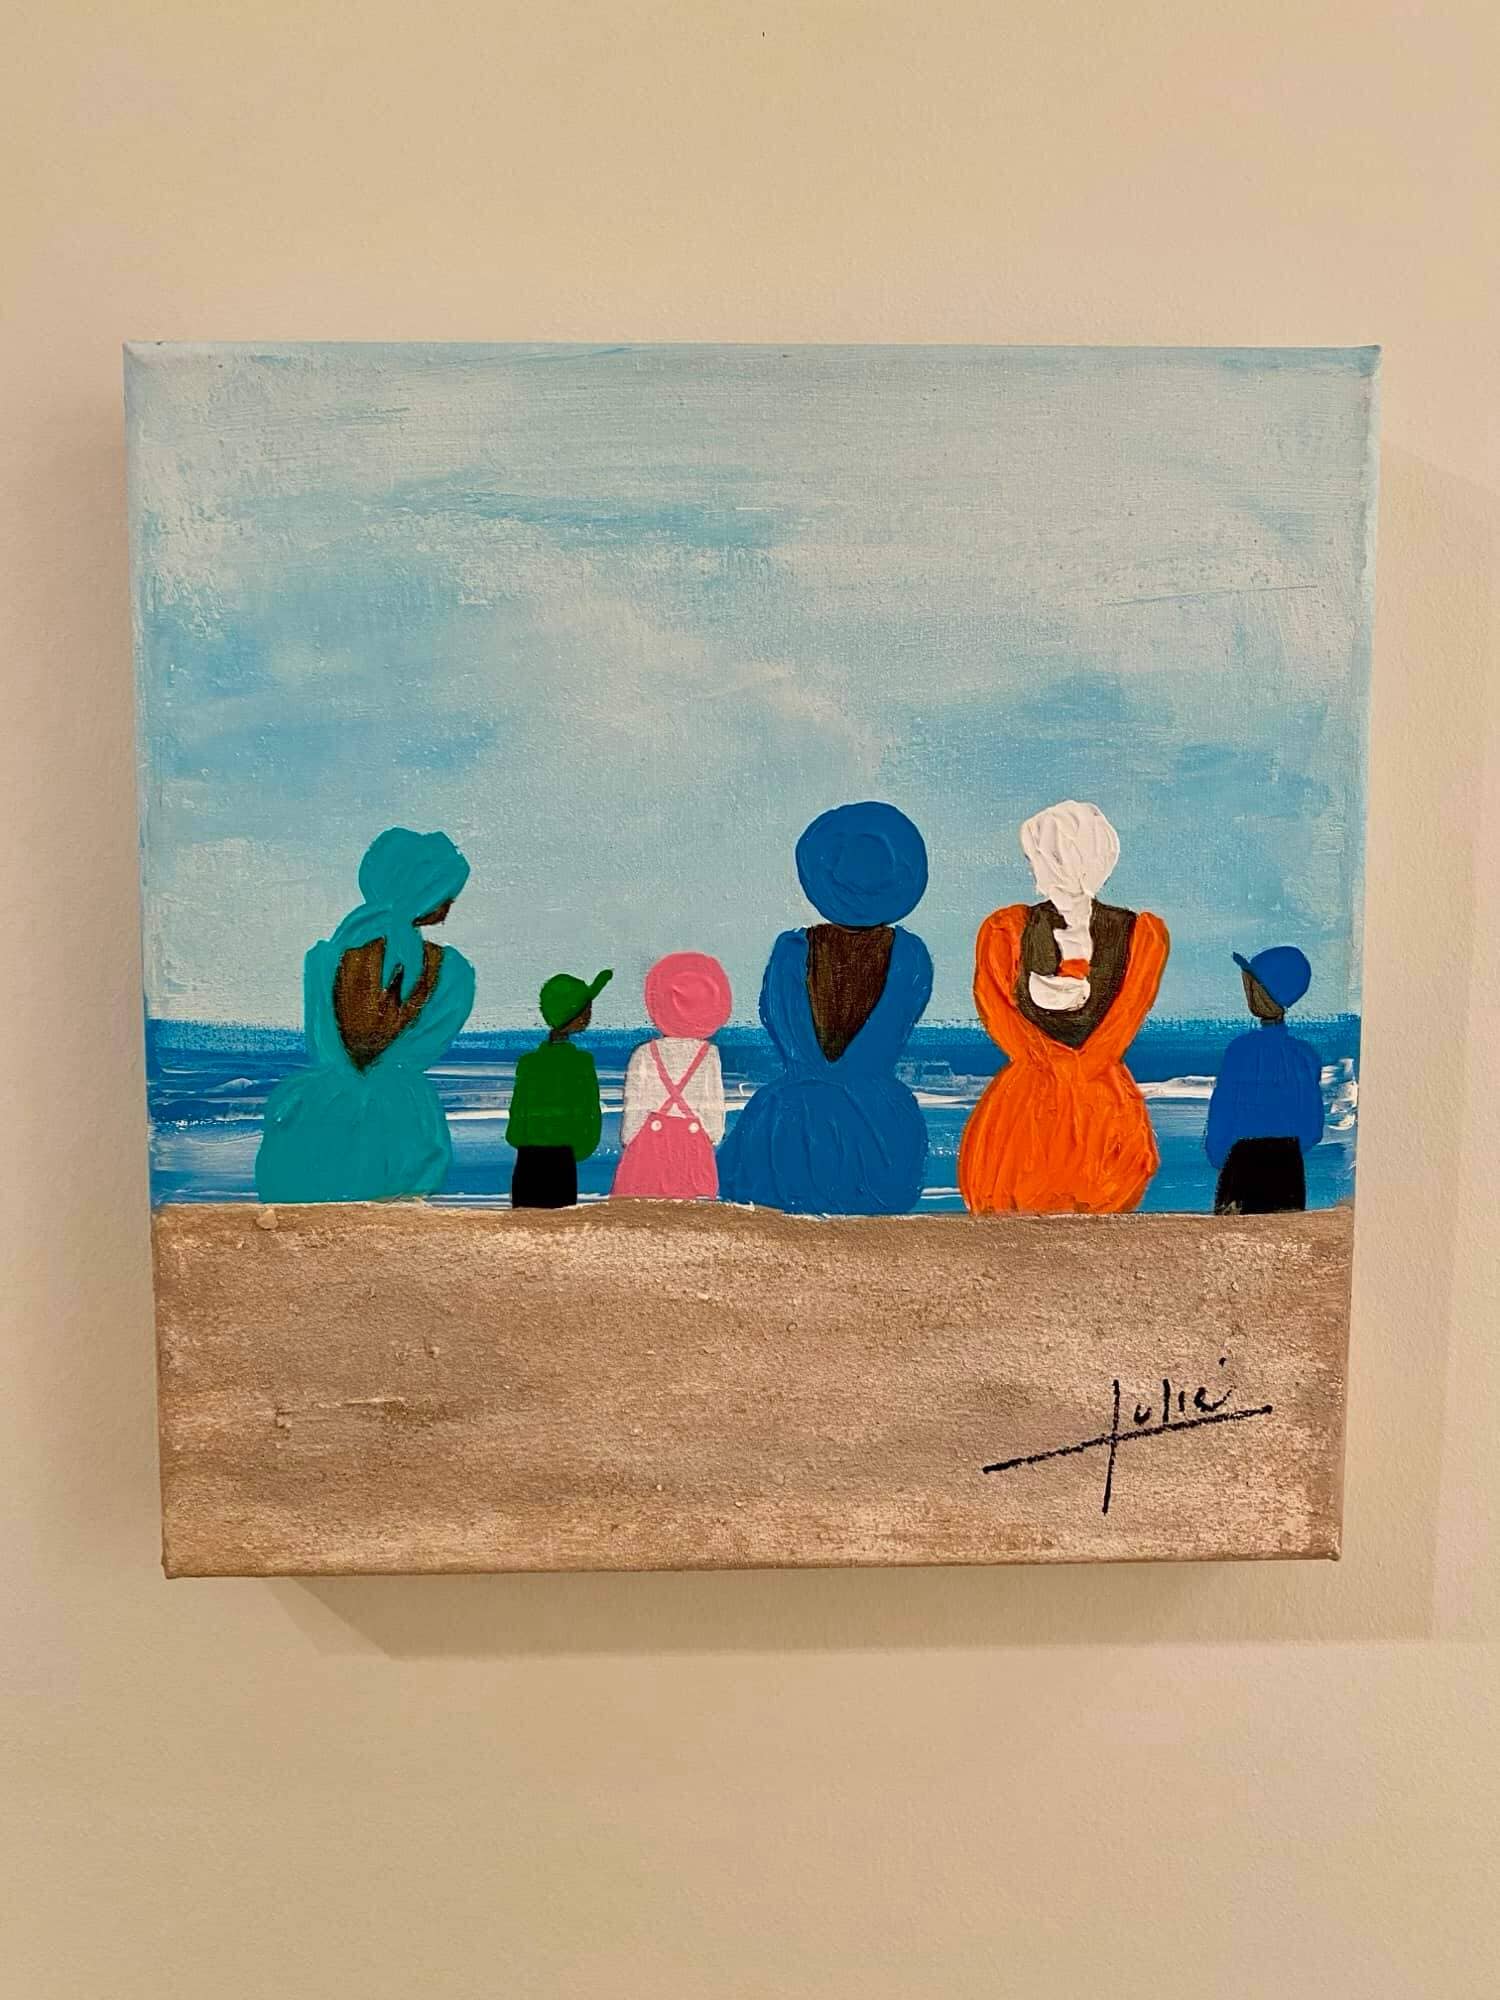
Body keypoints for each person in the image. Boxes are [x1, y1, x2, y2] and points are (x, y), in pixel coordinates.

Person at [718, 801, 933, 1215]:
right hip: (880, 1134)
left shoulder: (789, 952)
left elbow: (776, 1020)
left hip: (787, 1132)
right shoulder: (911, 956)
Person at [958, 801, 1169, 1214]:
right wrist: (1057, 1067)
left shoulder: (1142, 935)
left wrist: (1072, 1073)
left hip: (1101, 1111)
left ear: (1063, 859)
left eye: (1036, 857)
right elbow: (999, 1014)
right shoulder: (1005, 930)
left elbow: (1123, 1021)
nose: (1033, 870)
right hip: (1028, 1108)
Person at [255, 827, 475, 1203]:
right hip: (402, 1127)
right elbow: (419, 1049)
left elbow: (324, 1043)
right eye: (446, 894)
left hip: (317, 1118)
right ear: (425, 891)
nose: (449, 904)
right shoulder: (451, 972)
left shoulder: (324, 958)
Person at [1205, 946, 1324, 1213]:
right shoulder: (1304, 1055)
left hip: (1242, 1163)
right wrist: (1288, 1149)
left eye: (1252, 986)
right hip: (1288, 1168)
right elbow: (1313, 1127)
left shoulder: (1241, 1051)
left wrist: (1221, 1155)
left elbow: (1222, 1114)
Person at [611, 953, 732, 1201]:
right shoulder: (709, 1055)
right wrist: (707, 1136)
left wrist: (633, 1141)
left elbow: (632, 1116)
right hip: (691, 1151)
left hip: (650, 1151)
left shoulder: (644, 1053)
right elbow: (714, 1121)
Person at [505, 968, 612, 1208]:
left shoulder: (529, 1062)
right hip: (562, 1158)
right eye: (587, 1009)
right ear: (576, 1016)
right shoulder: (582, 1063)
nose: (589, 1014)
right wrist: (580, 1148)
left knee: (526, 1220)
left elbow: (517, 1116)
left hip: (528, 1157)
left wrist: (523, 1140)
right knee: (559, 1221)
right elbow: (590, 1113)